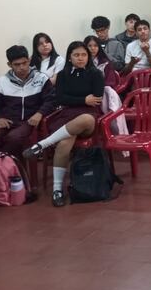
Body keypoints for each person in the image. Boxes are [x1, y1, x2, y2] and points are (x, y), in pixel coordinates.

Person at [23, 42, 105, 207]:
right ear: (69, 57)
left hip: (88, 115)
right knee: (64, 142)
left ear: (88, 57)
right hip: (66, 115)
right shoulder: (62, 75)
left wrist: (82, 101)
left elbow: (96, 99)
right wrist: (83, 99)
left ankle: (42, 144)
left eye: (83, 55)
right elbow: (60, 99)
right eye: (76, 55)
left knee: (85, 119)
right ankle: (57, 189)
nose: (80, 58)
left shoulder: (96, 74)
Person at [0, 45, 55, 161]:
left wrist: (40, 113)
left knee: (13, 138)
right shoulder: (2, 82)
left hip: (29, 121)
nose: (22, 67)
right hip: (8, 121)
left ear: (29, 60)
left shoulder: (41, 78)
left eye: (24, 63)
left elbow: (52, 99)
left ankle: (1, 165)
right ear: (9, 65)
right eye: (17, 64)